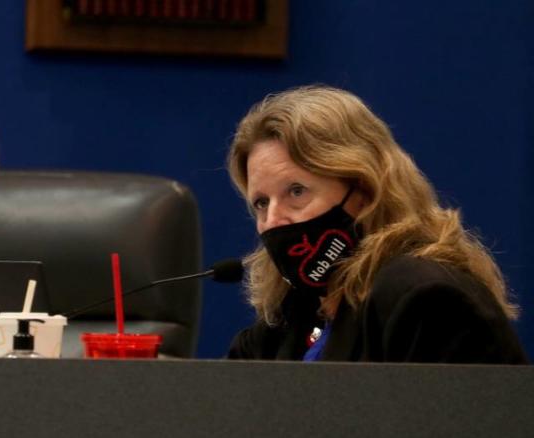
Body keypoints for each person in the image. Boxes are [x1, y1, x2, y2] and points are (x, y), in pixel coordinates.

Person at [225, 85, 527, 363]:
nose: (273, 221)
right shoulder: (290, 321)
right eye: (261, 203)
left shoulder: (424, 297)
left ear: (365, 190)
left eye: (296, 191)